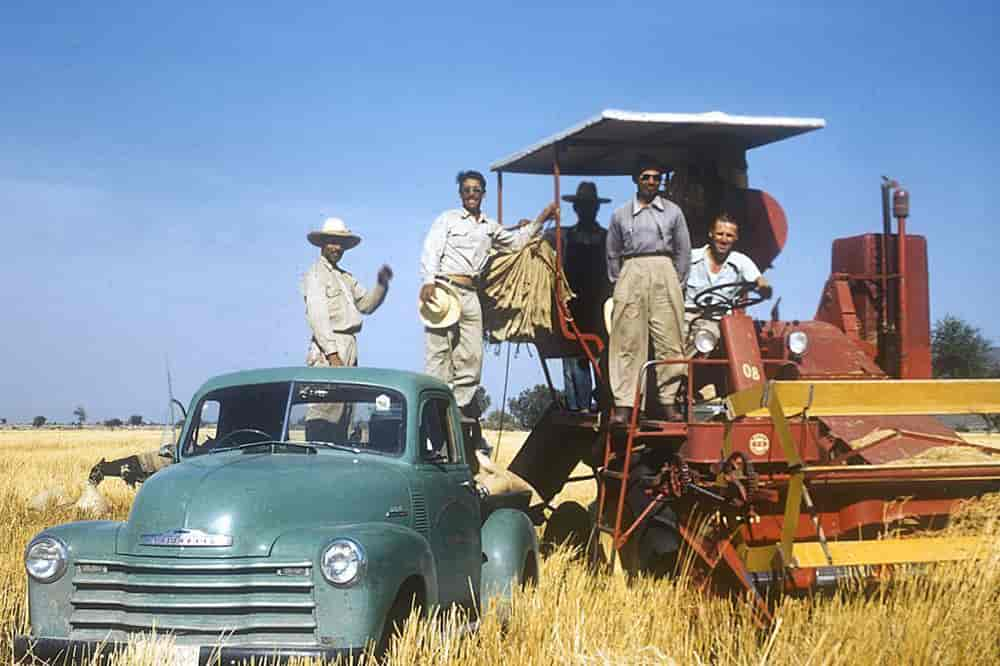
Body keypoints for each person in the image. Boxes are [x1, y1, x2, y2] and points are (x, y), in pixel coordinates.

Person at [419, 170, 557, 416]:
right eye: (466, 190)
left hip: (471, 293)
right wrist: (428, 281)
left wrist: (539, 220)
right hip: (444, 289)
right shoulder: (448, 219)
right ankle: (433, 407)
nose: (471, 194)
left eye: (476, 190)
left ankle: (458, 407)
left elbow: (515, 243)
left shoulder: (489, 226)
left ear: (483, 194)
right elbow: (432, 249)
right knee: (439, 352)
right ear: (460, 194)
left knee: (472, 355)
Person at [606, 157, 692, 424]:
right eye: (646, 177)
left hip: (664, 270)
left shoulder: (673, 212)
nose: (651, 182)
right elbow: (612, 252)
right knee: (627, 339)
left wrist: (675, 282)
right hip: (631, 270)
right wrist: (622, 281)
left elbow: (683, 250)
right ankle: (625, 404)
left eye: (656, 177)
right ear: (636, 179)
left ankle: (668, 400)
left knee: (670, 338)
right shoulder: (621, 214)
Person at [543, 181, 611, 412]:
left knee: (603, 353)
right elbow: (543, 239)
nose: (586, 210)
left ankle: (603, 401)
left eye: (590, 206)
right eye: (583, 206)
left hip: (600, 304)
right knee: (573, 355)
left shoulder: (607, 236)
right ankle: (577, 406)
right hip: (573, 303)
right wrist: (535, 224)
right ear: (576, 209)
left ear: (596, 209)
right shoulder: (564, 235)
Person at [303, 217, 393, 368]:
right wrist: (332, 355)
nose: (337, 248)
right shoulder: (316, 274)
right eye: (332, 242)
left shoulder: (345, 278)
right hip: (329, 348)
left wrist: (381, 284)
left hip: (350, 345)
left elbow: (366, 306)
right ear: (323, 243)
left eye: (341, 243)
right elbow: (318, 318)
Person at [685, 212, 772, 349]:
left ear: (735, 238)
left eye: (729, 235)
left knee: (705, 337)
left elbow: (759, 279)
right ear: (711, 234)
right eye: (720, 234)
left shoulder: (741, 261)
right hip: (687, 315)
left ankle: (681, 369)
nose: (724, 239)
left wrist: (764, 288)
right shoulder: (690, 258)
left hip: (715, 321)